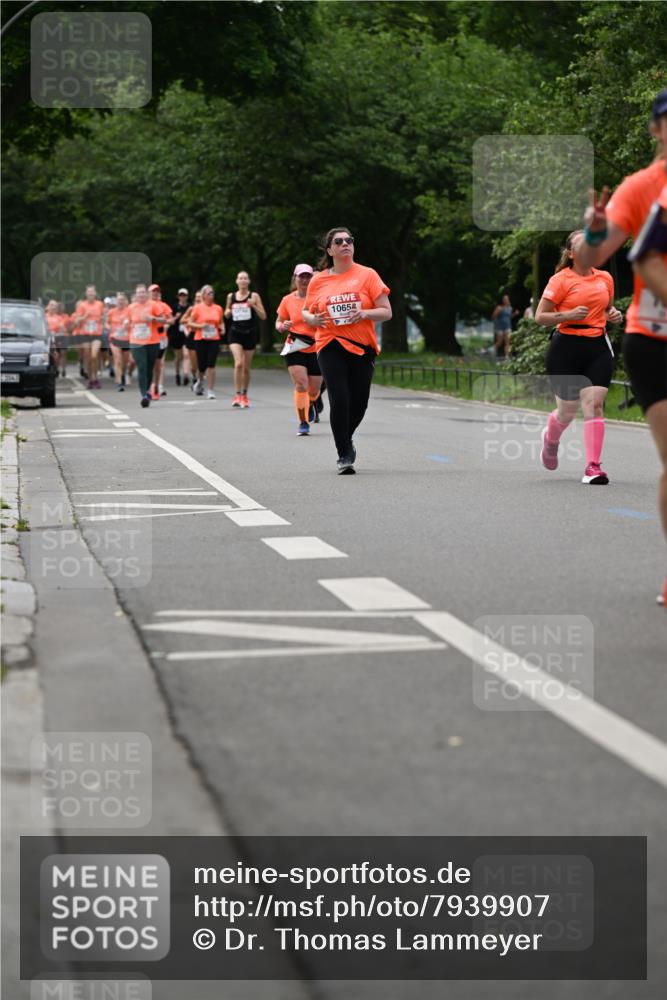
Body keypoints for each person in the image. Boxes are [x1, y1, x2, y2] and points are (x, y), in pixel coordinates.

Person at [579, 88, 667, 604]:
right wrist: (592, 232)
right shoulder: (641, 187)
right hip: (654, 339)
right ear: (656, 129)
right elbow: (595, 254)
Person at [535, 230, 622, 485]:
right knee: (567, 412)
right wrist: (568, 315)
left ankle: (593, 467)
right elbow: (540, 316)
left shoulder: (605, 278)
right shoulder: (560, 280)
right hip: (566, 348)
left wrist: (613, 314)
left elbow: (605, 310)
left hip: (597, 345)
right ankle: (550, 441)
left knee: (594, 404)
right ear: (571, 253)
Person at [303, 227, 391, 474]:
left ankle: (345, 436)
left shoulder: (368, 275)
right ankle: (344, 453)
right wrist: (311, 319)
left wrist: (365, 313)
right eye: (338, 241)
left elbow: (387, 311)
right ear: (330, 250)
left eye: (349, 240)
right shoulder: (319, 280)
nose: (345, 244)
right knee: (338, 398)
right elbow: (307, 310)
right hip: (329, 342)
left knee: (359, 403)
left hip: (362, 346)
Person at [276, 263, 322, 435]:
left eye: (307, 276)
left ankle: (310, 403)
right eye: (300, 276)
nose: (304, 279)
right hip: (295, 345)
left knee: (314, 390)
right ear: (294, 279)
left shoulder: (318, 298)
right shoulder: (287, 300)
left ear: (312, 279)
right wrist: (282, 326)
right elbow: (278, 321)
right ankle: (303, 423)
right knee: (301, 385)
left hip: (317, 346)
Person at [224, 271, 267, 408]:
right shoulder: (231, 296)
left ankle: (244, 395)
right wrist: (229, 310)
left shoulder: (254, 296)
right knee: (238, 364)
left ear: (248, 281)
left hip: (250, 333)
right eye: (240, 278)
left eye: (245, 278)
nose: (242, 280)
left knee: (246, 367)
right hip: (235, 333)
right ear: (237, 281)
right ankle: (237, 395)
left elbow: (263, 316)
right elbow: (226, 314)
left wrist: (253, 305)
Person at [127, 283, 168, 408]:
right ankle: (144, 394)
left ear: (146, 294)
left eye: (143, 292)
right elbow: (128, 323)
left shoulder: (153, 305)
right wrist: (126, 325)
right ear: (136, 295)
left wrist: (153, 318)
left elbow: (164, 320)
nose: (141, 295)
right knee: (142, 367)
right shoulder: (131, 307)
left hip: (153, 341)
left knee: (150, 367)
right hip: (136, 342)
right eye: (138, 292)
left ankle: (148, 390)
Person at [189, 284, 224, 399]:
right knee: (202, 365)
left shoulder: (218, 308)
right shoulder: (197, 308)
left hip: (214, 338)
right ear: (203, 295)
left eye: (212, 293)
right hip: (201, 339)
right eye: (209, 293)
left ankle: (210, 390)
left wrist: (223, 328)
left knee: (211, 365)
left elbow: (221, 322)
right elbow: (190, 323)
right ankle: (200, 380)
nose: (211, 295)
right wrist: (200, 325)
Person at [70, 284, 104, 388]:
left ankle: (95, 377)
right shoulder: (82, 305)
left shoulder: (100, 304)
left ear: (95, 293)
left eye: (92, 292)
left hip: (96, 334)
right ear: (86, 294)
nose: (90, 294)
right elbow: (76, 321)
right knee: (88, 357)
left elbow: (104, 317)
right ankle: (91, 378)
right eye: (89, 292)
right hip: (85, 334)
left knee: (94, 355)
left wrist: (103, 322)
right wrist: (85, 316)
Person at [147, 284, 172, 400]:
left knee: (158, 364)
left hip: (161, 337)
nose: (155, 293)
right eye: (153, 291)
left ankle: (156, 386)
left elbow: (171, 319)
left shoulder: (163, 306)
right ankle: (149, 387)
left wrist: (166, 324)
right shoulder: (143, 305)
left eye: (157, 291)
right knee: (148, 364)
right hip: (146, 338)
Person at [107, 292, 132, 391]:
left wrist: (128, 326)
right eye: (118, 300)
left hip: (126, 339)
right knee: (118, 360)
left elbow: (134, 323)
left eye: (122, 300)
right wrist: (110, 328)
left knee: (125, 362)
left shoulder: (129, 311)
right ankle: (119, 383)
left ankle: (123, 374)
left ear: (125, 301)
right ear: (116, 302)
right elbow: (106, 323)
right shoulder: (111, 312)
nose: (120, 302)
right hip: (114, 338)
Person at [168, 288, 192, 386]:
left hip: (187, 333)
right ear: (178, 297)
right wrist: (176, 317)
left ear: (187, 296)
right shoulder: (174, 307)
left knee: (186, 354)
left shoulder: (190, 307)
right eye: (181, 295)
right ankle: (177, 373)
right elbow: (170, 321)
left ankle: (186, 375)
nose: (182, 297)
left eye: (184, 295)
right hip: (176, 334)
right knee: (178, 357)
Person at [181, 290, 203, 391]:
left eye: (200, 297)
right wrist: (191, 320)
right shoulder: (191, 308)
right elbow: (182, 320)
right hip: (193, 336)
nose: (198, 299)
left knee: (202, 361)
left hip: (204, 336)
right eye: (197, 297)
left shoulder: (207, 308)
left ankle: (200, 382)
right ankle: (194, 377)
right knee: (194, 363)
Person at [45, 300, 69, 376]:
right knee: (45, 354)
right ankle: (45, 369)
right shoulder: (43, 316)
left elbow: (62, 329)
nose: (53, 307)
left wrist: (58, 331)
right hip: (45, 339)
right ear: (48, 306)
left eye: (54, 306)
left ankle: (56, 369)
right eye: (51, 305)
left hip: (56, 339)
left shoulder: (59, 318)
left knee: (56, 355)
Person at [491, 294, 513, 358]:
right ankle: (492, 352)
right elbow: (493, 317)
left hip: (507, 327)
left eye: (507, 299)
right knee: (499, 342)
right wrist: (498, 312)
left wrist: (514, 314)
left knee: (507, 342)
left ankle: (507, 357)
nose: (506, 300)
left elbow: (509, 317)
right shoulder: (499, 307)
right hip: (500, 327)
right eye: (504, 299)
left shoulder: (510, 308)